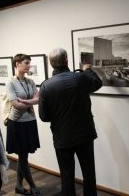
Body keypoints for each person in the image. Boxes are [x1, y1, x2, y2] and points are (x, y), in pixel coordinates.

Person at [39, 48, 102, 196]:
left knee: (66, 175)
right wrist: (87, 70)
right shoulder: (80, 78)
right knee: (89, 173)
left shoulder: (46, 86)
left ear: (51, 64)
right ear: (66, 61)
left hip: (62, 137)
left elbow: (44, 117)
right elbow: (97, 83)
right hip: (84, 134)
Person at [6, 54, 40, 195]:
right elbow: (15, 104)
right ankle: (32, 185)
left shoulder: (30, 81)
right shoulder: (10, 83)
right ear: (17, 63)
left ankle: (19, 185)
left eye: (29, 63)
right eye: (26, 63)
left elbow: (38, 98)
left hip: (30, 121)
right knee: (23, 156)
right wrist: (31, 101)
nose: (28, 65)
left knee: (23, 156)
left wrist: (26, 102)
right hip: (17, 123)